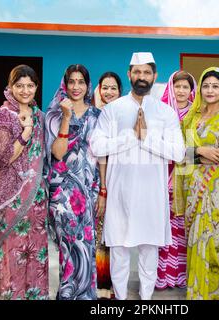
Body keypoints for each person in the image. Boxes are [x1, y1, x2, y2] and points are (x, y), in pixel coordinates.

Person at [90, 52, 185, 300]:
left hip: (152, 195)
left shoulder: (165, 113)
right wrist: (130, 136)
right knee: (119, 252)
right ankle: (120, 299)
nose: (141, 77)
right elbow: (97, 147)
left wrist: (147, 137)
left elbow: (179, 151)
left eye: (146, 72)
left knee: (148, 253)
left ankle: (146, 300)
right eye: (137, 72)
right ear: (129, 74)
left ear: (154, 76)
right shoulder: (113, 110)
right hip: (120, 193)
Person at [176, 67, 219, 300]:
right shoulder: (192, 118)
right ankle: (195, 294)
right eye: (206, 86)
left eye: (215, 86)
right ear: (200, 89)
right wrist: (202, 152)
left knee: (215, 243)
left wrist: (195, 154)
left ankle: (213, 294)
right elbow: (180, 154)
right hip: (194, 186)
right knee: (195, 242)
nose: (210, 90)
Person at [0, 65, 48, 300]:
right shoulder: (3, 115)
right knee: (12, 251)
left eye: (30, 85)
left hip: (36, 198)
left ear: (36, 87)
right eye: (20, 85)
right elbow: (3, 158)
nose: (25, 90)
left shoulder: (40, 114)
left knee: (35, 252)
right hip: (11, 198)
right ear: (11, 87)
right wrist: (25, 132)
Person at [45, 64, 101, 300]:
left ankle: (87, 296)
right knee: (68, 248)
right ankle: (67, 295)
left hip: (88, 190)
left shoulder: (98, 116)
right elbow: (58, 153)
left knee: (87, 246)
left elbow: (102, 156)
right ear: (65, 85)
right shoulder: (54, 115)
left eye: (81, 82)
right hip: (63, 193)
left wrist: (103, 191)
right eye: (72, 82)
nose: (76, 87)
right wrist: (66, 118)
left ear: (88, 86)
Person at [156, 70, 197, 290]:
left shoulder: (196, 114)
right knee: (162, 229)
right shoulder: (161, 113)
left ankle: (179, 276)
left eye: (185, 87)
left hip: (185, 180)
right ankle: (161, 277)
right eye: (177, 86)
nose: (181, 91)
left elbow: (193, 150)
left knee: (181, 230)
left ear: (192, 91)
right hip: (161, 177)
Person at [93, 71, 123, 299]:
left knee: (113, 236)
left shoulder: (123, 117)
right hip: (94, 182)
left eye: (113, 88)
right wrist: (102, 188)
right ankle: (100, 286)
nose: (109, 92)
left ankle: (110, 286)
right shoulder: (94, 115)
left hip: (119, 182)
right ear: (98, 90)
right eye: (105, 87)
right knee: (98, 235)